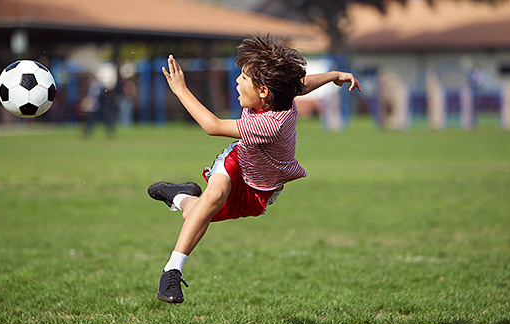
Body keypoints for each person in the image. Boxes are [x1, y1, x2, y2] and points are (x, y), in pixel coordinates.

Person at [149, 34, 361, 303]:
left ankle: (180, 196)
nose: (237, 81)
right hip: (237, 163)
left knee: (194, 215)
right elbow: (300, 84)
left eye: (243, 78)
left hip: (259, 189)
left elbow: (212, 126)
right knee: (213, 198)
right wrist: (333, 75)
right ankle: (171, 272)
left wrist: (180, 89)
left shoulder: (270, 124)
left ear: (263, 92)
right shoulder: (280, 94)